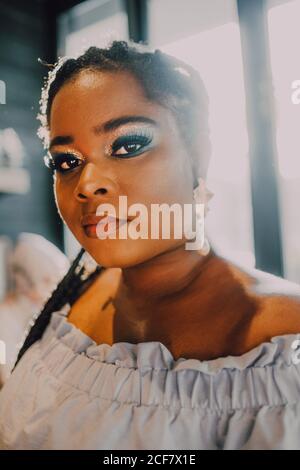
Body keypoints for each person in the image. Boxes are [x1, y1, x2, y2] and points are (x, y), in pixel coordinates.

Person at [1, 40, 300, 450]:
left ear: (199, 153)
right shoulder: (76, 293)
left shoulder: (283, 347)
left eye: (127, 145)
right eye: (66, 161)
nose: (87, 184)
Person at [0, 233, 69, 385]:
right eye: (46, 281)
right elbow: (5, 368)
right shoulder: (5, 316)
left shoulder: (50, 310)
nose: (50, 290)